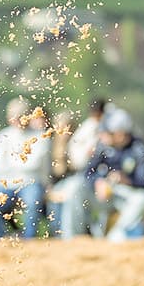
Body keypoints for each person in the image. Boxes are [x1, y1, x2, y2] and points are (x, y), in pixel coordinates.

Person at [0, 97, 52, 240]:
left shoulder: (40, 136)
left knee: (33, 203)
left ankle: (29, 239)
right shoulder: (2, 136)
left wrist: (13, 164)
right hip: (6, 184)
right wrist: (20, 164)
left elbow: (36, 165)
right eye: (15, 117)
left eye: (21, 116)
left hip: (31, 183)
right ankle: (3, 239)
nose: (17, 121)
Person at [84, 108, 144, 241]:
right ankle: (72, 237)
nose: (101, 136)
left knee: (142, 199)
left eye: (106, 132)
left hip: (126, 195)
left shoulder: (139, 148)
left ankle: (115, 237)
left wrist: (127, 180)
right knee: (74, 187)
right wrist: (98, 181)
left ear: (120, 134)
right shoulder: (102, 145)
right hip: (102, 193)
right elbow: (87, 172)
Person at [54, 98, 108, 238]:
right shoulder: (87, 129)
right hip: (81, 176)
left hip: (93, 177)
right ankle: (68, 236)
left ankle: (82, 234)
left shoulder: (103, 127)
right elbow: (77, 159)